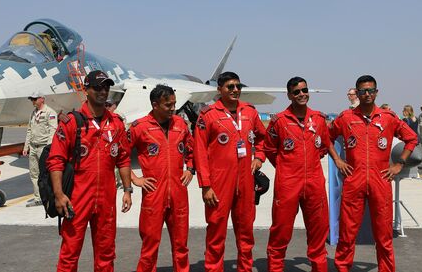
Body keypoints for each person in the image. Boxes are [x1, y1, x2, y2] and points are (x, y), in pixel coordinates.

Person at [328, 75, 417, 272]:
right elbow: (327, 136)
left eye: (370, 90)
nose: (367, 94)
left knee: (384, 236)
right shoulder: (346, 118)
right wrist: (337, 159)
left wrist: (399, 164)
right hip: (354, 181)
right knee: (347, 234)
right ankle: (342, 268)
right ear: (357, 93)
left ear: (376, 92)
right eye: (362, 91)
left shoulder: (388, 117)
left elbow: (412, 139)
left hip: (381, 181)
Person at [46, 70, 133, 272]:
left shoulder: (116, 124)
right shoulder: (71, 123)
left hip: (106, 200)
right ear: (86, 90)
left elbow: (123, 158)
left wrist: (127, 190)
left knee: (106, 254)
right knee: (69, 254)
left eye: (106, 87)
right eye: (97, 87)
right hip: (76, 198)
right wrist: (59, 195)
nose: (103, 91)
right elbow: (56, 160)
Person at [193, 71, 267, 272]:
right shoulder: (208, 115)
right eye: (230, 87)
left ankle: (245, 268)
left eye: (238, 86)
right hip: (218, 183)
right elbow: (199, 152)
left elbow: (262, 138)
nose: (235, 90)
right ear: (220, 89)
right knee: (216, 231)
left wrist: (259, 157)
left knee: (246, 232)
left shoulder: (250, 112)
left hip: (245, 182)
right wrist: (205, 185)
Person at [263, 77, 330, 272]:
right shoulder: (279, 121)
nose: (301, 94)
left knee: (318, 231)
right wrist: (286, 167)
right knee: (281, 231)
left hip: (315, 184)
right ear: (289, 95)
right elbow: (269, 149)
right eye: (296, 92)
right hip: (288, 184)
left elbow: (324, 145)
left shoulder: (318, 119)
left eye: (304, 90)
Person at [128, 84, 194, 272]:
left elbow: (192, 150)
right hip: (153, 195)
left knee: (181, 246)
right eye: (168, 105)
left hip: (179, 195)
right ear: (155, 105)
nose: (173, 108)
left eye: (174, 104)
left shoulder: (180, 125)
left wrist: (190, 168)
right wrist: (135, 179)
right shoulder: (139, 127)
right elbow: (120, 155)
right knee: (150, 248)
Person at [23, 91, 58, 207]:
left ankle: (51, 197)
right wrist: (26, 146)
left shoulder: (50, 112)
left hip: (43, 147)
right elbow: (29, 130)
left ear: (42, 99)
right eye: (31, 99)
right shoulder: (33, 113)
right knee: (34, 173)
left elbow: (53, 130)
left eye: (34, 99)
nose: (32, 101)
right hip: (33, 147)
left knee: (46, 173)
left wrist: (49, 147)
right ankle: (38, 198)